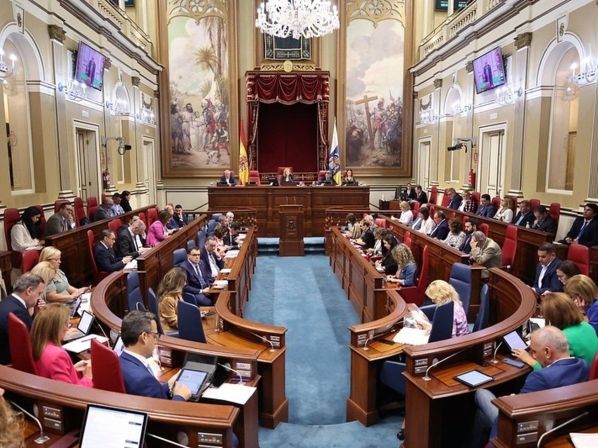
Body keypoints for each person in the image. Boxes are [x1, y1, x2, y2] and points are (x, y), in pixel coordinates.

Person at [473, 326, 589, 447]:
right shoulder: (583, 365)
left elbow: (517, 412)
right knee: (481, 416)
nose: (533, 356)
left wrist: (510, 401)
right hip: (562, 425)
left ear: (547, 352)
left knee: (481, 393)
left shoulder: (540, 377)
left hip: (529, 430)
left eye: (534, 351)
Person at [119, 311, 192, 401]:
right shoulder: (144, 380)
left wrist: (169, 385)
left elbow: (151, 394)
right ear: (144, 337)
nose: (156, 341)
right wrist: (180, 396)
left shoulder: (120, 361)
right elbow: (163, 409)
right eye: (155, 336)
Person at [513, 293, 598, 368]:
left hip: (580, 379)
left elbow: (554, 373)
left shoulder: (562, 338)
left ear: (552, 317)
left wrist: (529, 360)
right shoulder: (586, 325)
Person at [31, 303, 93, 387]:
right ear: (56, 328)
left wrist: (72, 369)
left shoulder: (37, 343)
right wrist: (88, 377)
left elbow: (53, 375)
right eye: (67, 324)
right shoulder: (58, 355)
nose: (67, 329)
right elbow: (69, 392)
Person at [0, 273, 45, 365]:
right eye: (39, 293)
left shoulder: (7, 301)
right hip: (11, 365)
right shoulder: (19, 313)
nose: (39, 298)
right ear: (29, 291)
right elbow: (34, 342)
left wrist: (35, 312)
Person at [158, 267, 188, 333]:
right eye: (184, 281)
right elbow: (173, 323)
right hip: (171, 330)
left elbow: (182, 310)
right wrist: (190, 321)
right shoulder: (168, 299)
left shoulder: (177, 294)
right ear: (177, 284)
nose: (185, 284)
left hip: (180, 323)